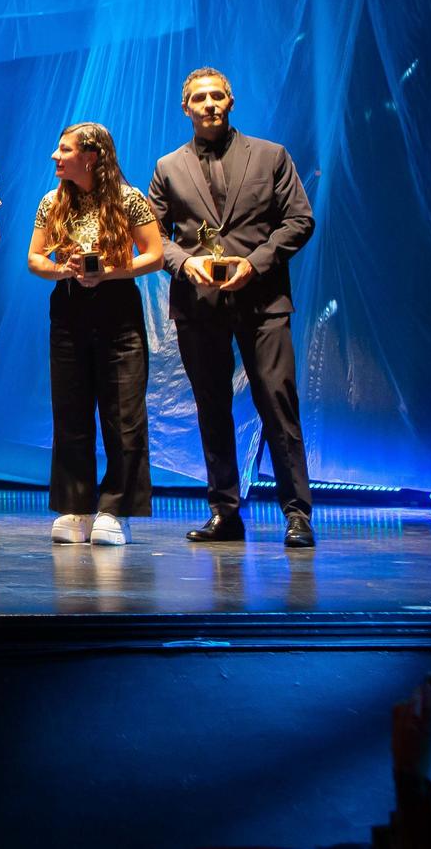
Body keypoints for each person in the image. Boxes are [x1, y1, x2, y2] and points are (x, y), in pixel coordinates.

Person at [147, 68, 316, 549]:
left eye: (217, 96)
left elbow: (299, 220)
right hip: (200, 305)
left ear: (231, 100)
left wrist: (255, 263)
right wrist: (184, 263)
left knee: (277, 406)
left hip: (262, 301)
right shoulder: (167, 167)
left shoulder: (271, 155)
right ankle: (225, 512)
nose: (209, 104)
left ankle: (297, 514)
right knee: (212, 409)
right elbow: (152, 236)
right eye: (199, 98)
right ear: (186, 107)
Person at [27, 122, 164, 546]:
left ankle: (116, 508)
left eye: (64, 149)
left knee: (123, 414)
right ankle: (76, 506)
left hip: (117, 310)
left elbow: (156, 256)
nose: (55, 156)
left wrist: (112, 272)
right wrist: (59, 268)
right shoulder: (52, 202)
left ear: (91, 155)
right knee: (71, 412)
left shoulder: (129, 199)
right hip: (68, 310)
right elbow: (34, 258)